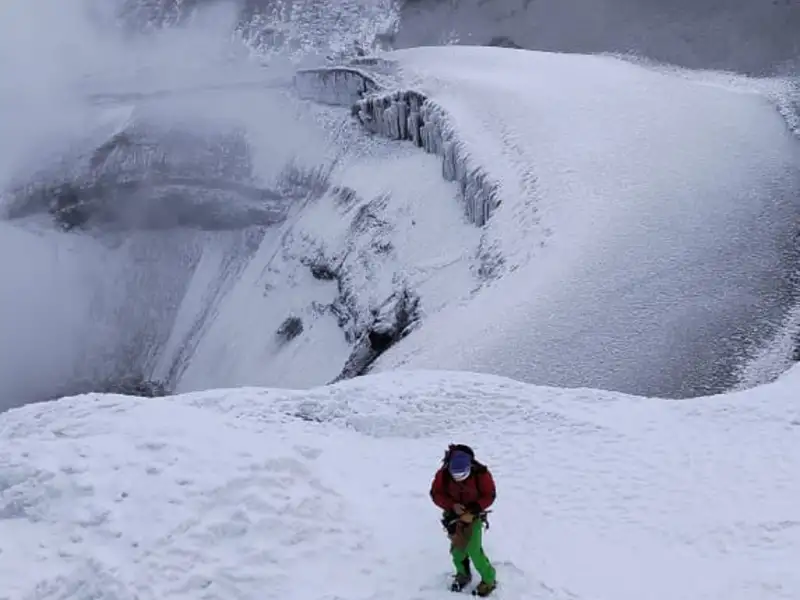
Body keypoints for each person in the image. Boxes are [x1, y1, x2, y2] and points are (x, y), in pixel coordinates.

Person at [429, 444, 497, 596]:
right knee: (457, 550)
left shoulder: (481, 473)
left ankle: (489, 579)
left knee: (474, 550)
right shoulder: (443, 474)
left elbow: (489, 494)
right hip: (453, 517)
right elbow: (435, 493)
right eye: (456, 476)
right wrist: (452, 506)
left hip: (474, 515)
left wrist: (473, 510)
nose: (459, 479)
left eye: (463, 475)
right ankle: (463, 574)